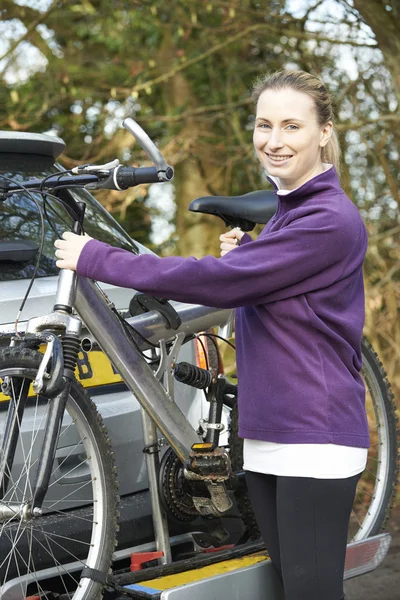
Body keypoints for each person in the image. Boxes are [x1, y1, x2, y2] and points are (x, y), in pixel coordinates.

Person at [55, 70, 369, 600]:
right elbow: (278, 290)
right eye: (264, 124)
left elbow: (218, 283)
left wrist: (98, 257)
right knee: (291, 589)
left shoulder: (328, 219)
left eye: (292, 125)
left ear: (324, 133)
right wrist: (252, 255)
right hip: (273, 433)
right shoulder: (292, 214)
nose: (274, 140)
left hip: (315, 435)